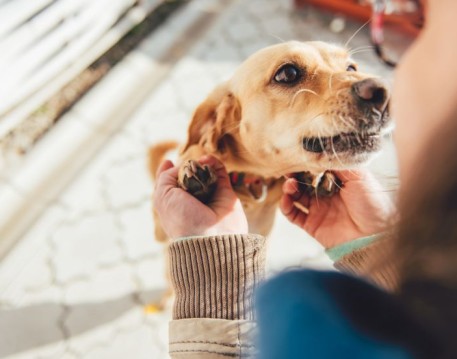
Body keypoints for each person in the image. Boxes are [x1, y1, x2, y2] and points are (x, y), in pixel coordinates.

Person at [153, 0, 457, 357]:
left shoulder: (305, 320)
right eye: (290, 75)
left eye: (350, 66)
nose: (369, 86)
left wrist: (211, 284)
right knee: (163, 235)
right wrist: (372, 244)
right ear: (220, 121)